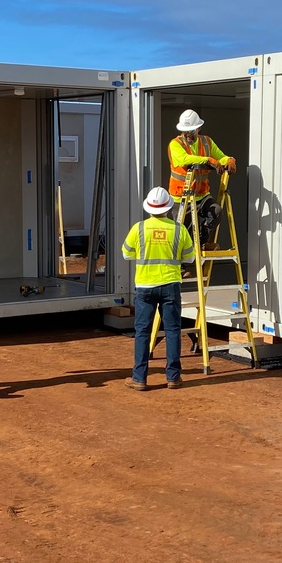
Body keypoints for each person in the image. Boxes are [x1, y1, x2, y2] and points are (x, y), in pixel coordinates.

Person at [121, 186, 194, 391]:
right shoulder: (179, 229)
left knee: (142, 332)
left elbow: (126, 253)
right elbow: (189, 257)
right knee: (172, 331)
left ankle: (140, 378)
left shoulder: (139, 228)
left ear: (149, 207)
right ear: (168, 208)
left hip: (145, 286)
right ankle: (173, 377)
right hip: (171, 285)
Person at [167, 109, 236, 248]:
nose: (187, 134)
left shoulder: (207, 142)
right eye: (185, 131)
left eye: (191, 131)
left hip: (202, 194)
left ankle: (202, 243)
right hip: (181, 197)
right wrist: (208, 160)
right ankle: (182, 268)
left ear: (198, 128)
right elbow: (183, 159)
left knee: (216, 212)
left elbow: (220, 157)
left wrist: (229, 160)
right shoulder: (175, 144)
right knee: (182, 232)